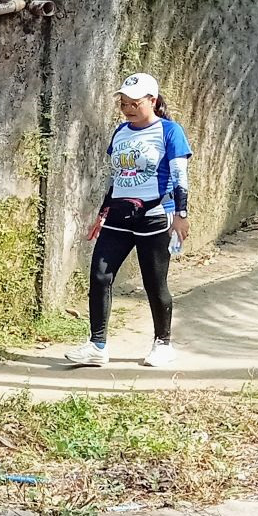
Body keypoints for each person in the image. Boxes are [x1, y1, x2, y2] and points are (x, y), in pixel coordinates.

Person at [66, 72, 192, 369]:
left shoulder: (170, 131)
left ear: (153, 100)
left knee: (154, 282)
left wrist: (181, 215)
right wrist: (102, 212)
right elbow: (118, 177)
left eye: (135, 103)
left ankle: (163, 343)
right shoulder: (121, 132)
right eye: (123, 103)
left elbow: (180, 176)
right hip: (119, 215)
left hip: (154, 216)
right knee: (100, 275)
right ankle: (97, 345)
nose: (128, 108)